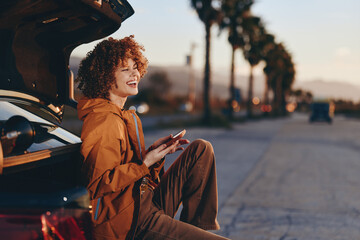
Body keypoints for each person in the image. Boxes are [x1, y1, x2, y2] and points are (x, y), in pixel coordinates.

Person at [76, 36, 228, 240]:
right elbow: (98, 184)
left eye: (135, 67)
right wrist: (146, 162)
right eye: (125, 69)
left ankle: (195, 230)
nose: (135, 74)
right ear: (104, 76)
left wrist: (153, 156)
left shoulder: (124, 116)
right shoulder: (102, 121)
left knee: (201, 149)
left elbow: (139, 172)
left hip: (146, 200)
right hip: (133, 221)